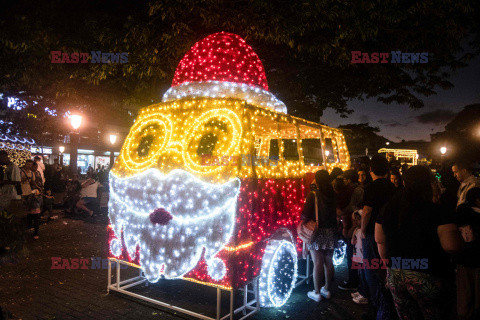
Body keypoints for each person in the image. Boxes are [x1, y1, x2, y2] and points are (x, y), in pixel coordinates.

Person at [376, 166, 463, 320]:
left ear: (404, 182)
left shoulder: (388, 207)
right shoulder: (437, 210)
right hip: (428, 274)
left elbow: (380, 240)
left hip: (396, 273)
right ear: (428, 183)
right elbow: (451, 246)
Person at [360, 154, 396, 320]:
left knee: (371, 270)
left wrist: (362, 229)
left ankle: (377, 307)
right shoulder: (393, 187)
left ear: (371, 170)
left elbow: (366, 211)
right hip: (389, 232)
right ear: (387, 170)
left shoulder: (370, 188)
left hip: (373, 234)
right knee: (385, 269)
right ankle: (388, 306)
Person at [301, 170, 337, 302]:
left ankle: (316, 292)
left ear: (317, 180)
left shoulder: (313, 195)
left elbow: (305, 215)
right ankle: (326, 290)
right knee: (329, 261)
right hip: (331, 230)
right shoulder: (332, 194)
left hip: (317, 231)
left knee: (317, 263)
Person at [456, 187, 480, 319]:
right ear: (477, 200)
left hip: (463, 260)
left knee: (464, 296)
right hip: (475, 261)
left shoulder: (461, 213)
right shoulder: (475, 216)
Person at [351, 210, 368, 305]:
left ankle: (364, 294)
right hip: (357, 256)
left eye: (358, 220)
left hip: (362, 257)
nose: (355, 222)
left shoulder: (363, 231)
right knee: (360, 275)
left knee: (364, 276)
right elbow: (352, 242)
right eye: (354, 220)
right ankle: (361, 291)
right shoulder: (357, 230)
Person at [21, 160, 41, 239]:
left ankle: (34, 231)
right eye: (28, 164)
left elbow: (33, 182)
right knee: (24, 213)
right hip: (22, 193)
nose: (29, 166)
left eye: (30, 164)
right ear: (25, 164)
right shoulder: (21, 171)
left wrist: (38, 187)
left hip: (30, 193)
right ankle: (25, 229)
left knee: (34, 212)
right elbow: (17, 181)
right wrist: (25, 180)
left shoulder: (32, 173)